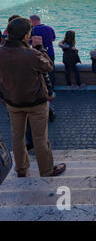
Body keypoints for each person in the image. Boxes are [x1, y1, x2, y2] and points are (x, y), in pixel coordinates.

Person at [0, 17, 66, 177]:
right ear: (25, 36)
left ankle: (21, 169)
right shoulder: (31, 53)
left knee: (17, 136)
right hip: (36, 102)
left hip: (12, 101)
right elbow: (48, 66)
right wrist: (40, 47)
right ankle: (46, 170)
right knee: (40, 137)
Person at [30, 15, 56, 87]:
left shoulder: (33, 30)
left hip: (38, 53)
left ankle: (43, 89)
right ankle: (52, 88)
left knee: (40, 72)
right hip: (50, 52)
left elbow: (29, 42)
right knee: (51, 70)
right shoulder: (50, 28)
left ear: (33, 21)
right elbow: (53, 39)